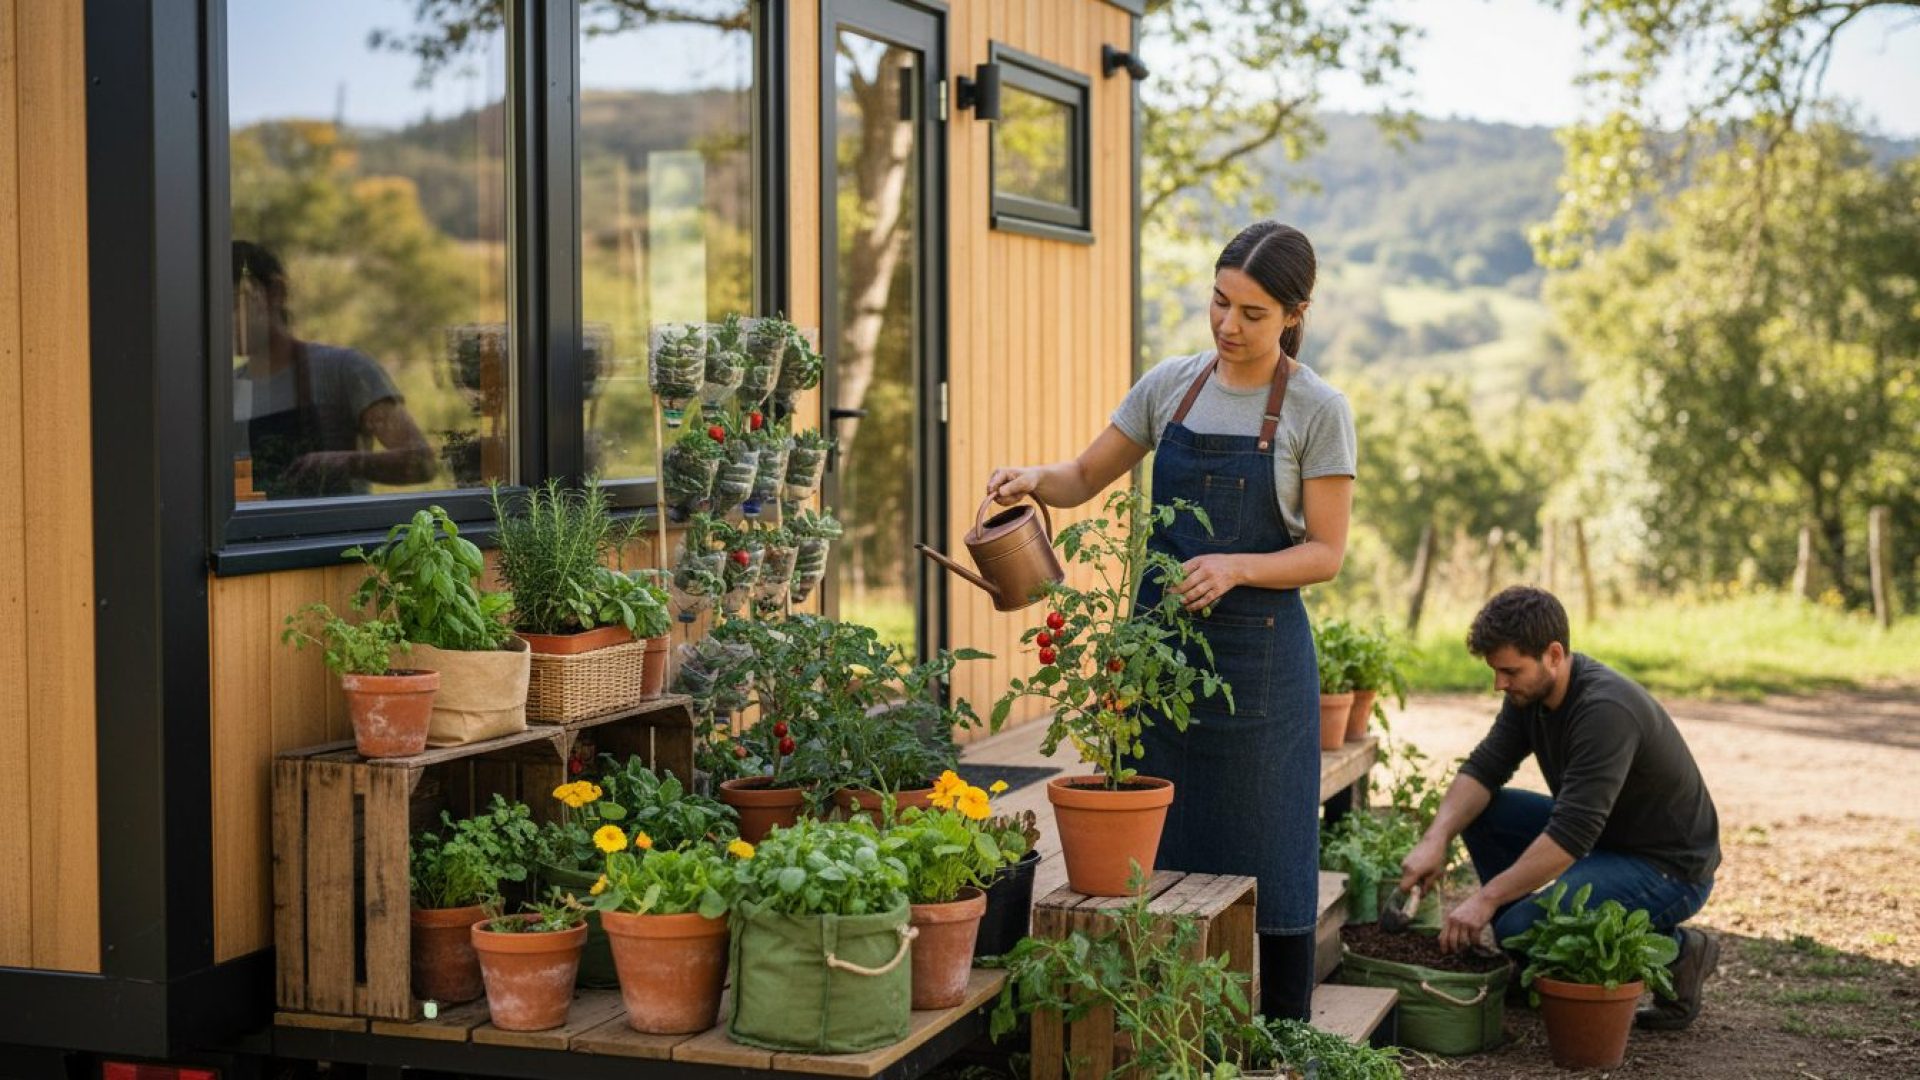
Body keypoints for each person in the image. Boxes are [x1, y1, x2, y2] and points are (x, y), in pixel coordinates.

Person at [986, 221, 1356, 1020]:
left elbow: (1326, 551)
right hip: (1158, 659)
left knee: (1270, 848)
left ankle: (1279, 1037)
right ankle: (1156, 1019)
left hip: (1259, 666)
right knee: (1154, 845)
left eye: (1253, 313)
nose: (1228, 325)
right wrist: (1031, 479)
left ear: (1295, 313)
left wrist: (1237, 566)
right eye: (1219, 302)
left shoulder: (1318, 410)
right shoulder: (1171, 386)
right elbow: (1084, 474)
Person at [1398, 586, 1722, 1030]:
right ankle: (1535, 963)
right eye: (1495, 671)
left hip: (1668, 867)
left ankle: (1681, 952)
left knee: (1517, 926)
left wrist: (1486, 900)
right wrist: (1436, 840)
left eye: (1510, 671)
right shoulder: (1529, 697)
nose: (1499, 684)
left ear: (1553, 654)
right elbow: (1484, 767)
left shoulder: (1604, 710)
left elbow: (1571, 835)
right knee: (1486, 815)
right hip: (1604, 841)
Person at [232, 240, 435, 499]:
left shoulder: (343, 370)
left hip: (334, 538)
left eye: (233, 304)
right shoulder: (226, 390)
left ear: (275, 293)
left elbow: (421, 462)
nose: (224, 319)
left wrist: (347, 462)